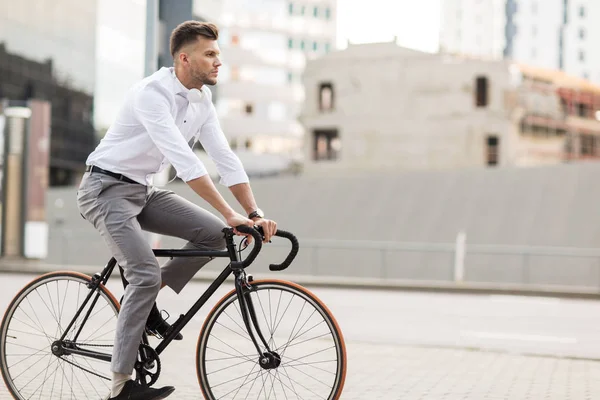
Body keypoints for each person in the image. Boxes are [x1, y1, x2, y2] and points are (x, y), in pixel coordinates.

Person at [77, 20, 277, 400]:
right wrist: (229, 211)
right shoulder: (152, 94)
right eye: (211, 54)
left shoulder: (203, 101)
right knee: (144, 273)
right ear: (185, 59)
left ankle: (148, 298)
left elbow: (224, 158)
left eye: (219, 54)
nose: (219, 62)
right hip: (103, 189)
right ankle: (120, 387)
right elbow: (185, 162)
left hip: (143, 190)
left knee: (214, 233)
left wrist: (251, 213)